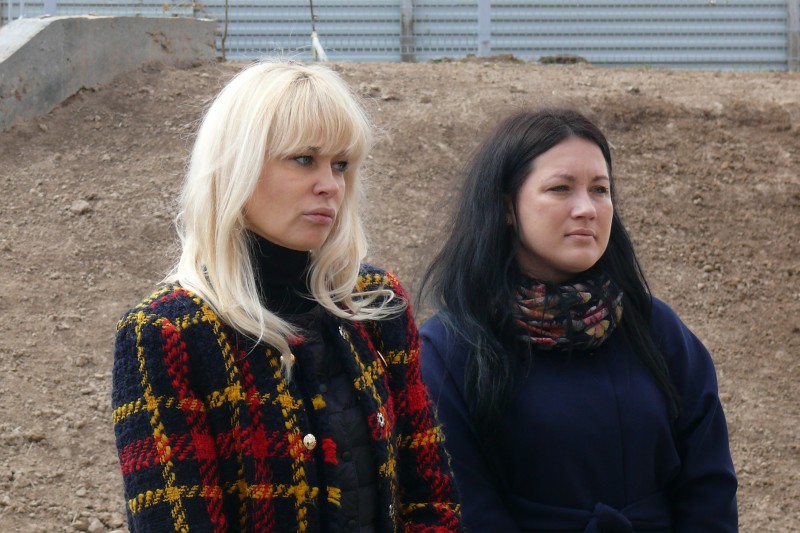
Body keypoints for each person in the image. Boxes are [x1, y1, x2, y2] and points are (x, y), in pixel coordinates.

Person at [112, 59, 461, 532]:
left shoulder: (377, 304)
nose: (330, 185)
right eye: (303, 159)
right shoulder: (166, 333)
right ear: (236, 165)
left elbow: (432, 498)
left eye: (341, 165)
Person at [418, 108, 737, 532]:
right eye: (561, 188)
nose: (586, 208)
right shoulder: (448, 350)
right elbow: (468, 509)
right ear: (507, 206)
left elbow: (710, 489)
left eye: (600, 190)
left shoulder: (656, 328)